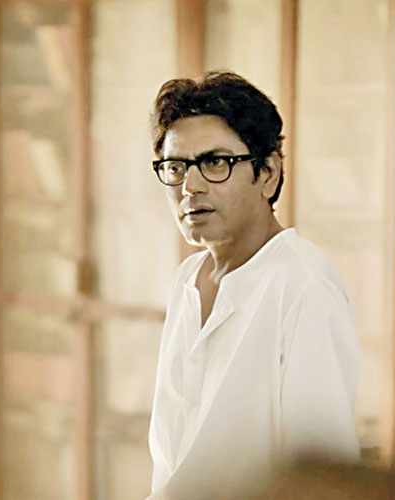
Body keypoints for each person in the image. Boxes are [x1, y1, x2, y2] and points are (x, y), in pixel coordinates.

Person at [146, 71, 361, 499]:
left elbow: (324, 475)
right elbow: (171, 464)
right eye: (176, 167)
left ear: (268, 173)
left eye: (215, 162)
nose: (190, 186)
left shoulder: (303, 284)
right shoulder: (187, 279)